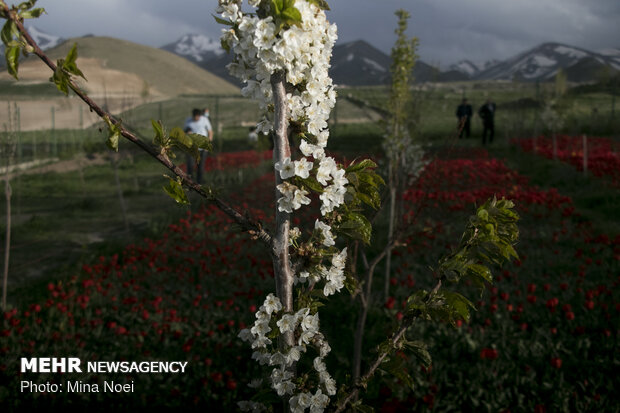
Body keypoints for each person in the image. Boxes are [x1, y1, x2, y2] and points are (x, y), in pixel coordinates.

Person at [184, 108, 213, 184]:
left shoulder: (204, 120)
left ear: (200, 116)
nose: (196, 118)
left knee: (200, 167)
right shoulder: (188, 121)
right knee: (190, 166)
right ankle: (190, 183)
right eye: (195, 116)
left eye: (198, 116)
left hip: (203, 147)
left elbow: (210, 132)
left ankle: (199, 184)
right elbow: (185, 131)